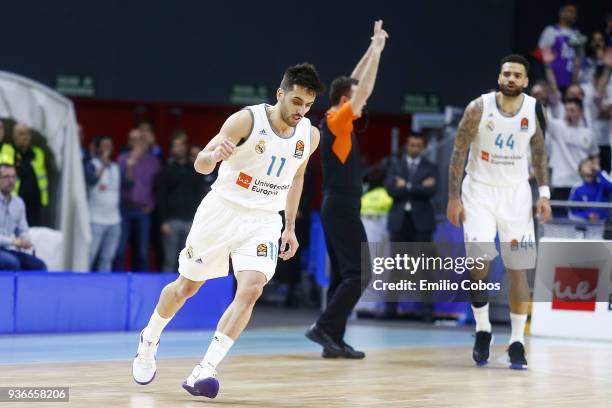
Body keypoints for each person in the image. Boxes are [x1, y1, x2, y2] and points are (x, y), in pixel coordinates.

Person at [132, 63, 325, 398]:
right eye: (296, 101)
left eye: (307, 105)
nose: (301, 110)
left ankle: (204, 371)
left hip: (265, 218)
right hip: (222, 211)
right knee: (186, 287)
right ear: (280, 94)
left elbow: (297, 178)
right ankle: (149, 338)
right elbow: (201, 163)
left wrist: (290, 227)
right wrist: (214, 156)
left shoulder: (309, 135)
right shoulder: (246, 120)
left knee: (251, 289)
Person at [446, 54, 552, 370]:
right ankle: (483, 329)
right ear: (499, 77)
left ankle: (517, 342)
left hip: (516, 196)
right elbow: (459, 150)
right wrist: (453, 197)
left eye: (517, 75)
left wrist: (544, 194)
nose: (510, 79)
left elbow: (539, 154)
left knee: (518, 267)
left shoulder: (534, 109)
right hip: (478, 191)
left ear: (525, 81)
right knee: (478, 264)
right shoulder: (479, 107)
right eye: (506, 73)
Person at [305, 20, 388, 359]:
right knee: (360, 273)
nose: (363, 104)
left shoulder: (335, 116)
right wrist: (380, 54)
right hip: (340, 206)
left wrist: (371, 47)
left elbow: (355, 83)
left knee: (344, 275)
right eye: (355, 100)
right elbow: (362, 90)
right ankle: (324, 327)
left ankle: (332, 341)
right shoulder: (338, 120)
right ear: (345, 100)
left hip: (336, 206)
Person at [114, 128, 161, 271]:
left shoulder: (154, 161)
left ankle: (142, 283)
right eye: (131, 140)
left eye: (137, 140)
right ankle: (117, 281)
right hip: (125, 208)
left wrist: (151, 204)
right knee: (120, 249)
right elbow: (121, 184)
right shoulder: (122, 159)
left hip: (143, 209)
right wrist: (130, 165)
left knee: (142, 251)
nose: (134, 143)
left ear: (143, 141)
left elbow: (157, 186)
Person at [157, 131, 203, 272]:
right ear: (171, 150)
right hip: (172, 221)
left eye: (182, 145)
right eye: (176, 146)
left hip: (191, 221)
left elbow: (200, 195)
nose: (180, 148)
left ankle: (185, 292)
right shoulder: (166, 171)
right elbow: (161, 197)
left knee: (189, 260)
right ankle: (165, 292)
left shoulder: (195, 170)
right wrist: (163, 221)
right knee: (170, 260)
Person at [385, 133, 438, 243]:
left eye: (419, 146)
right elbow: (390, 190)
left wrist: (406, 185)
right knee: (398, 259)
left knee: (421, 259)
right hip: (398, 221)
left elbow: (431, 191)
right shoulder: (396, 166)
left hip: (423, 222)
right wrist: (419, 186)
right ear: (406, 146)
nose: (415, 148)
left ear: (424, 148)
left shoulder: (431, 167)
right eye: (412, 145)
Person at [0, 164, 47, 271]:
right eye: (6, 177)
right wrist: (13, 242)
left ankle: (30, 288)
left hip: (8, 249)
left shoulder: (19, 203)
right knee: (12, 263)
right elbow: (13, 241)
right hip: (7, 247)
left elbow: (23, 230)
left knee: (39, 266)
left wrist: (26, 241)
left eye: (13, 177)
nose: (11, 181)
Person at [85, 136, 121, 272]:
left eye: (109, 145)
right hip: (95, 219)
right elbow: (91, 181)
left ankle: (104, 285)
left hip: (114, 220)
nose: (107, 148)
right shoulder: (92, 165)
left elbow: (128, 185)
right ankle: (84, 283)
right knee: (90, 255)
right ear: (98, 148)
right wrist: (102, 166)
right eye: (104, 145)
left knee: (107, 258)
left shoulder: (116, 167)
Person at [13, 123, 50, 227]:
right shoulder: (10, 152)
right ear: (14, 136)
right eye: (21, 134)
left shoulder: (38, 153)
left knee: (35, 233)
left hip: (36, 202)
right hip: (15, 201)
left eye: (28, 134)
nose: (25, 137)